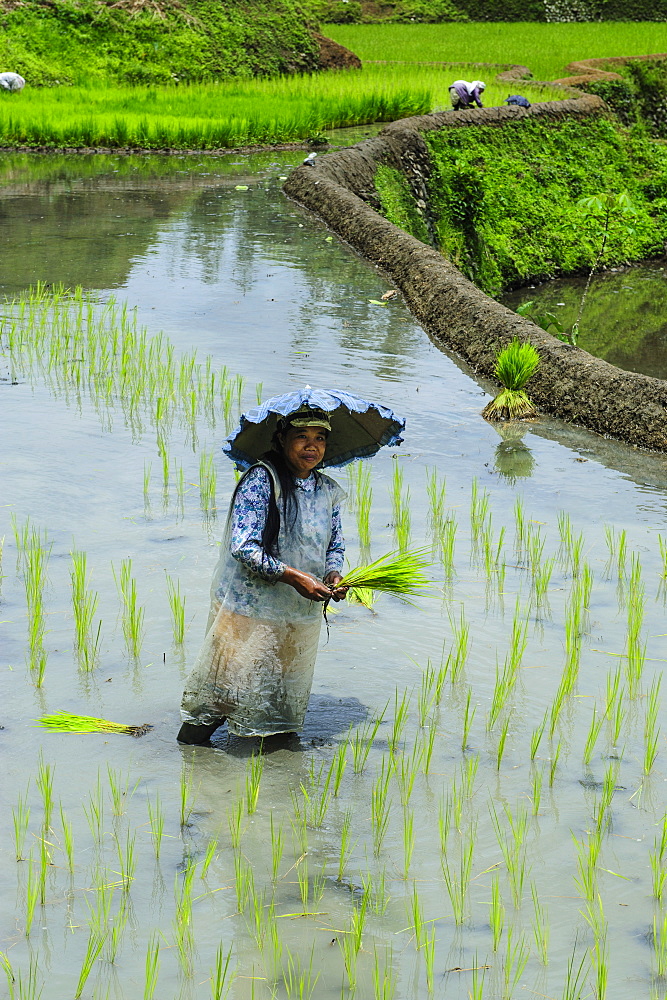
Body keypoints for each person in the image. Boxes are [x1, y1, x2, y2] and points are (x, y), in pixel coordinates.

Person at [177, 406, 348, 745]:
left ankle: (272, 772)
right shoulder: (262, 479)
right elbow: (243, 546)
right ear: (282, 439)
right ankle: (192, 759)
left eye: (320, 439)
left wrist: (333, 574)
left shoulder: (327, 491)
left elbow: (335, 545)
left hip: (297, 612)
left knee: (278, 693)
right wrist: (293, 576)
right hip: (248, 608)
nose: (312, 446)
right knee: (223, 692)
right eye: (302, 437)